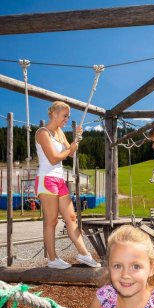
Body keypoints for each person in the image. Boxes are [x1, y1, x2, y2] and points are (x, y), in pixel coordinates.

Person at [35, 100, 100, 269]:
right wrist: (70, 149)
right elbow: (54, 158)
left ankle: (84, 254)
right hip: (46, 179)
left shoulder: (60, 133)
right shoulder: (42, 133)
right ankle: (52, 259)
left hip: (59, 179)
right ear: (55, 114)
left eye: (68, 117)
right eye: (65, 116)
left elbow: (71, 154)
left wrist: (76, 139)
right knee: (51, 222)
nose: (66, 119)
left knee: (71, 217)